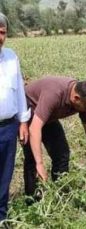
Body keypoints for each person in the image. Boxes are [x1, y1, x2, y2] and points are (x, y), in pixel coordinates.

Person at [23, 76, 86, 201]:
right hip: (28, 113)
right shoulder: (54, 94)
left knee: (62, 154)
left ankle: (60, 194)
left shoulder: (85, 102)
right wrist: (40, 163)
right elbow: (34, 128)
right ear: (76, 99)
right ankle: (32, 200)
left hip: (48, 117)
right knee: (32, 159)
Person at [0, 13, 30, 223]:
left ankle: (1, 217)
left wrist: (23, 121)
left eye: (2, 32)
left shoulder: (11, 57)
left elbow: (19, 89)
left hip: (9, 127)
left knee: (4, 175)